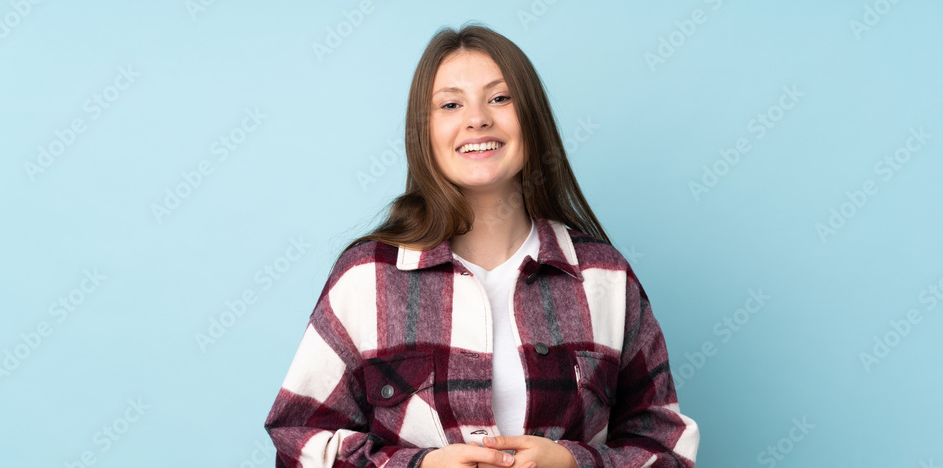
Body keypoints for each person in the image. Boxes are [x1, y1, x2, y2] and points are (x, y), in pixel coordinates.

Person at [264, 24, 700, 468]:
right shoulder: (366, 277)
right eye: (451, 104)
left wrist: (574, 463)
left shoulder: (605, 276)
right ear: (425, 131)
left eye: (500, 98)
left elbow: (667, 447)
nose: (478, 119)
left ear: (532, 117)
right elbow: (295, 442)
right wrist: (420, 466)